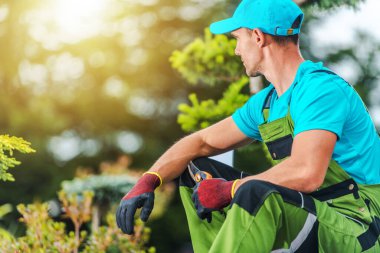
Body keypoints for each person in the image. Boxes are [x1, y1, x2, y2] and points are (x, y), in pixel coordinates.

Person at [116, 0, 380, 252]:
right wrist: (149, 180)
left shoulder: (320, 90)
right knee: (196, 170)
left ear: (257, 36)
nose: (236, 50)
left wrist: (229, 189)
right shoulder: (267, 103)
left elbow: (307, 172)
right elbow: (201, 142)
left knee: (255, 191)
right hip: (312, 212)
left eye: (237, 38)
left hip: (358, 227)